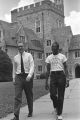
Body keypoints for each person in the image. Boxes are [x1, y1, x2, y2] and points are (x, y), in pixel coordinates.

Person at [45, 41, 69, 120]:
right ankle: (56, 106)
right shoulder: (49, 58)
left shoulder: (62, 56)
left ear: (58, 48)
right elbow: (48, 70)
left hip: (61, 76)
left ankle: (59, 114)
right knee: (52, 94)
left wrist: (67, 79)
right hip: (53, 76)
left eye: (55, 47)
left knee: (61, 96)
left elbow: (65, 68)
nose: (53, 49)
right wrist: (46, 82)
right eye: (52, 47)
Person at [11, 42, 34, 120]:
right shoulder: (15, 57)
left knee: (29, 95)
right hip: (19, 77)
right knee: (17, 96)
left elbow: (32, 66)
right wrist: (14, 78)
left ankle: (30, 111)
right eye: (18, 46)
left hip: (27, 77)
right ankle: (16, 116)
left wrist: (30, 75)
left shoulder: (29, 55)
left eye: (21, 46)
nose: (20, 48)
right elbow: (14, 68)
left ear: (24, 47)